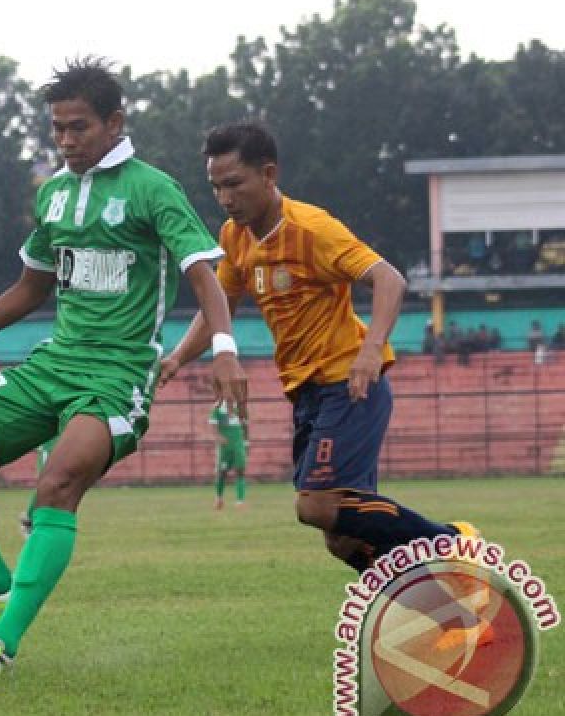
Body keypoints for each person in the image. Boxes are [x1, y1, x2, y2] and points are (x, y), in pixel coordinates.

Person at [0, 58, 247, 684]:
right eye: (57, 129)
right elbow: (29, 288)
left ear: (114, 123)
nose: (65, 140)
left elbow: (205, 273)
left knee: (56, 484)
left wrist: (223, 345)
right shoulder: (54, 193)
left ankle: (1, 645)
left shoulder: (153, 189)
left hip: (118, 374)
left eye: (78, 128)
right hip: (55, 362)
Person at [162, 121, 476, 577]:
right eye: (215, 187)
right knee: (343, 538)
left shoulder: (312, 229)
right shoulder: (235, 236)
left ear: (268, 175)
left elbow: (388, 279)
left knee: (314, 505)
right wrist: (176, 357)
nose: (225, 198)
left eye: (234, 184)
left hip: (347, 385)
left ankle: (453, 541)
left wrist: (371, 352)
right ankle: (440, 613)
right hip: (306, 394)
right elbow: (219, 306)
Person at [209, 401, 248, 510]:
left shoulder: (240, 406)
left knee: (240, 470)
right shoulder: (217, 407)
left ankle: (240, 501)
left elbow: (245, 425)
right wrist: (218, 436)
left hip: (238, 444)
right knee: (222, 472)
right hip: (225, 446)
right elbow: (212, 424)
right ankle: (219, 498)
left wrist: (246, 442)